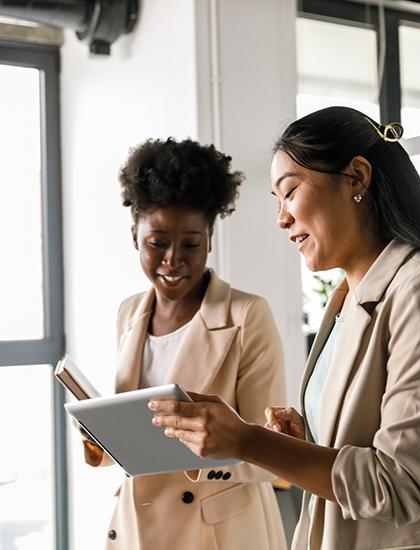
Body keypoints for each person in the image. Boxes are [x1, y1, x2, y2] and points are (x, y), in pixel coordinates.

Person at [149, 107, 420, 550]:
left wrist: (249, 441)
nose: (281, 219)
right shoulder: (347, 300)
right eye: (276, 201)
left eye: (289, 192)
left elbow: (400, 484)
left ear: (357, 178)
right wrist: (304, 437)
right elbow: (363, 441)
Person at [81, 137, 287, 550]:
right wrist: (103, 440)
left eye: (190, 244)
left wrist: (199, 451)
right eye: (157, 242)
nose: (173, 259)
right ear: (134, 236)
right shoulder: (129, 313)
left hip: (216, 533)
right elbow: (140, 432)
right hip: (137, 528)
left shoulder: (247, 316)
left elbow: (272, 454)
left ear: (209, 239)